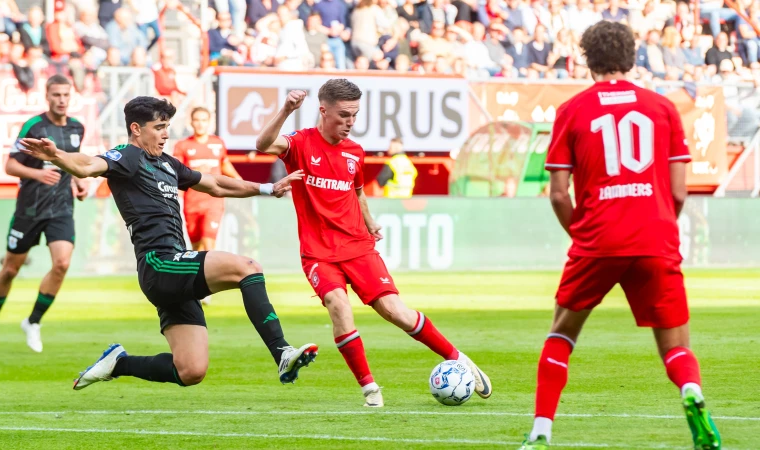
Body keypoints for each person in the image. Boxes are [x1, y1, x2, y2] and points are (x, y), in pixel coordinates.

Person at [18, 96, 317, 390]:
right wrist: (57, 156)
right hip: (158, 264)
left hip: (175, 266)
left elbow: (214, 183)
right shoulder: (127, 157)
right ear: (136, 129)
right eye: (159, 126)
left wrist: (266, 187)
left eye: (167, 126)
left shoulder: (167, 164)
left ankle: (118, 363)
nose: (165, 133)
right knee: (247, 268)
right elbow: (86, 165)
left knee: (190, 370)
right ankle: (281, 351)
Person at [517, 21, 721, 450]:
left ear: (587, 59)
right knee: (675, 344)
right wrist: (660, 220)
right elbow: (680, 190)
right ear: (632, 57)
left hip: (596, 239)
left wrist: (584, 236)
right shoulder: (662, 108)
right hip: (655, 237)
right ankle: (692, 392)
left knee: (561, 334)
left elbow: (557, 194)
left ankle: (540, 432)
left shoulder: (571, 111)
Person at [255, 80, 492, 407]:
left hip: (358, 247)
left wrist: (369, 221)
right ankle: (370, 390)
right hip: (318, 252)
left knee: (395, 311)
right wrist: (286, 110)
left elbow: (357, 190)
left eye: (355, 115)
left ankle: (459, 358)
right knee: (338, 305)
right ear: (323, 110)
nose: (350, 122)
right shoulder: (300, 143)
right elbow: (263, 143)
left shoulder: (355, 152)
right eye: (344, 115)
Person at [0, 75, 87, 355]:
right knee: (11, 270)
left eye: (65, 94)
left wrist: (78, 182)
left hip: (62, 208)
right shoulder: (34, 126)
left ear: (71, 95)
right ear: (47, 96)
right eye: (56, 95)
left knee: (62, 263)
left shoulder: (78, 128)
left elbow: (72, 163)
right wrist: (38, 173)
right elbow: (10, 165)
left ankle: (33, 321)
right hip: (29, 209)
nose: (61, 100)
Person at [173, 106, 242, 305]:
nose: (201, 123)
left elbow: (225, 164)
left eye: (204, 120)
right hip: (192, 202)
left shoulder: (217, 144)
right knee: (195, 246)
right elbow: (177, 171)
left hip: (213, 200)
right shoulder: (183, 146)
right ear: (191, 122)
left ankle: (206, 288)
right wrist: (194, 171)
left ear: (209, 122)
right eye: (197, 120)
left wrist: (238, 180)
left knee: (209, 242)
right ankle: (197, 283)